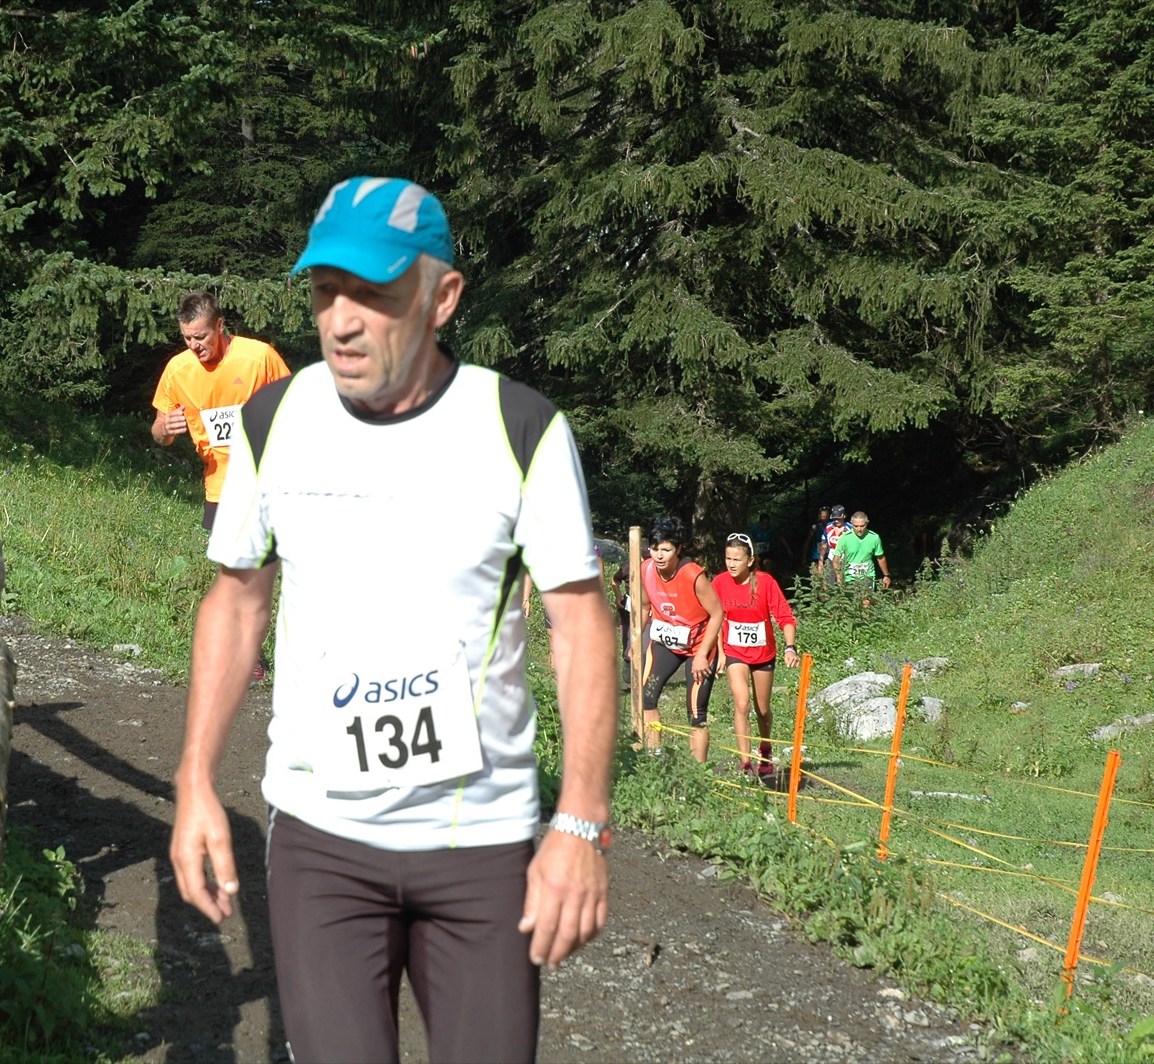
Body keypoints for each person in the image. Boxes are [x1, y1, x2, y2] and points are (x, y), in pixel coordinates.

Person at [169, 176, 617, 1063]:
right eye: (325, 291)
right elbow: (236, 600)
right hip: (321, 840)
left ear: (441, 297)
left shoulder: (519, 427)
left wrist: (580, 823)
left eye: (372, 295)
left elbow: (581, 628)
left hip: (480, 842)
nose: (341, 321)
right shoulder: (274, 419)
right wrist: (194, 781)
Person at [150, 291, 291, 531]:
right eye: (187, 338)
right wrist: (165, 429)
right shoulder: (177, 370)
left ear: (219, 325)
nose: (193, 345)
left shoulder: (260, 357)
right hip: (220, 488)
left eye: (200, 337)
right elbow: (159, 434)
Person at [638, 517, 724, 762]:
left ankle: (699, 771)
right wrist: (634, 641)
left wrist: (702, 655)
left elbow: (717, 613)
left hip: (699, 645)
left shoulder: (693, 575)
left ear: (678, 550)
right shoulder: (646, 569)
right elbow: (644, 606)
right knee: (646, 697)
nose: (659, 555)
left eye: (666, 550)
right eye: (654, 548)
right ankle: (654, 756)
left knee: (696, 713)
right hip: (666, 641)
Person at [714, 533, 798, 778]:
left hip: (763, 654)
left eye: (737, 559)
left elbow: (785, 617)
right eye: (728, 558)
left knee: (762, 710)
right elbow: (714, 619)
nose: (731, 564)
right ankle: (746, 763)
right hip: (734, 652)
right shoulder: (719, 582)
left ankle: (765, 748)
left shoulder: (765, 582)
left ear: (750, 560)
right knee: (742, 703)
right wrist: (719, 653)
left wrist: (790, 647)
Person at [833, 511, 890, 589]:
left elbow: (880, 558)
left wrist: (886, 575)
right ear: (851, 523)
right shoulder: (845, 538)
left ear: (867, 523)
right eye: (856, 526)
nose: (859, 529)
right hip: (849, 578)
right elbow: (836, 559)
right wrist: (839, 576)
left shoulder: (874, 538)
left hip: (868, 577)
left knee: (866, 597)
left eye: (862, 526)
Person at [822, 504, 849, 583]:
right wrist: (821, 561)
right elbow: (824, 543)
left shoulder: (850, 528)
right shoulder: (828, 526)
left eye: (839, 518)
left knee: (843, 583)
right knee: (828, 583)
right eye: (834, 519)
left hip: (846, 560)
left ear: (844, 516)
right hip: (831, 558)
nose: (836, 521)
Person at [806, 505, 831, 579]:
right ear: (819, 517)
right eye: (823, 516)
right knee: (818, 577)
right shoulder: (815, 527)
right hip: (816, 556)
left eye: (827, 516)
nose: (825, 519)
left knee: (828, 578)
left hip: (829, 556)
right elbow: (807, 542)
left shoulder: (832, 528)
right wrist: (804, 557)